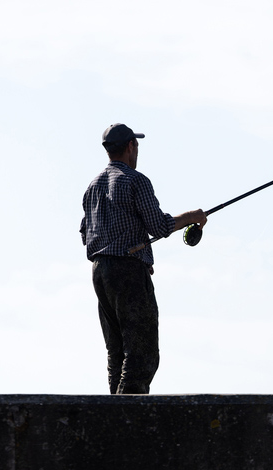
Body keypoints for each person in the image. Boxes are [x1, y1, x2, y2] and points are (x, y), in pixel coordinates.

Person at [80, 123, 207, 394]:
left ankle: (112, 414)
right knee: (142, 353)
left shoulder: (92, 187)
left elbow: (85, 232)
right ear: (130, 147)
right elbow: (159, 227)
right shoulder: (135, 180)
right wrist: (192, 218)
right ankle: (126, 419)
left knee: (117, 354)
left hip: (100, 272)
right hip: (127, 270)